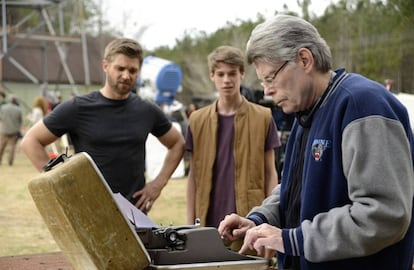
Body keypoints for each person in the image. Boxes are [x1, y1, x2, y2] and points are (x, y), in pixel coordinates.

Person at [218, 15, 414, 270]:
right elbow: (297, 187)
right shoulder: (306, 114)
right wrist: (259, 219)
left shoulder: (362, 105)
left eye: (270, 78)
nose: (266, 90)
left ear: (304, 59)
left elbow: (384, 215)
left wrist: (294, 240)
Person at [21, 38, 185, 213]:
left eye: (132, 70)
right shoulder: (78, 107)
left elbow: (177, 143)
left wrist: (157, 185)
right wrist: (58, 184)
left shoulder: (147, 110)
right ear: (105, 66)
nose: (126, 75)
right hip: (88, 211)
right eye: (120, 68)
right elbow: (30, 141)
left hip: (134, 213)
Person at [185, 45, 281, 228]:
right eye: (220, 74)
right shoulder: (197, 120)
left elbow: (270, 173)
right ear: (212, 76)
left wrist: (270, 223)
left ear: (242, 74)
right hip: (208, 221)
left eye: (232, 73)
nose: (226, 80)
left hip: (249, 219)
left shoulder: (263, 117)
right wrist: (189, 225)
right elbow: (193, 176)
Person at [0, 96, 22, 166]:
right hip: (14, 131)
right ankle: (10, 162)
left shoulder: (3, 107)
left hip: (4, 130)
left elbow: (1, 117)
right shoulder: (18, 109)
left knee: (1, 146)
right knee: (12, 147)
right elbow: (20, 120)